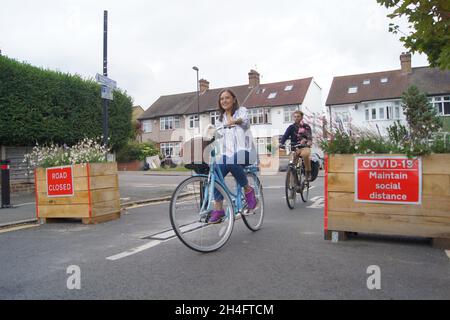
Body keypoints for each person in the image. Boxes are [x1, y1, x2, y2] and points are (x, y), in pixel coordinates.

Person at [208, 89, 258, 224]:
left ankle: (248, 190)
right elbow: (218, 136)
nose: (224, 101)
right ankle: (218, 210)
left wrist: (234, 120)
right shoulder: (219, 120)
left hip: (247, 152)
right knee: (216, 171)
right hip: (228, 154)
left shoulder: (242, 110)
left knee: (232, 160)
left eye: (227, 98)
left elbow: (245, 121)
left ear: (234, 99)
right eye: (222, 99)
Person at [279, 110, 313, 181]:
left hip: (304, 147)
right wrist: (281, 143)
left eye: (298, 116)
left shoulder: (306, 127)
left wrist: (308, 141)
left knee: (305, 155)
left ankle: (308, 173)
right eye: (295, 117)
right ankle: (295, 183)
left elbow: (309, 136)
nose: (296, 118)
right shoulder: (291, 127)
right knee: (292, 165)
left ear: (302, 117)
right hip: (294, 148)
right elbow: (285, 136)